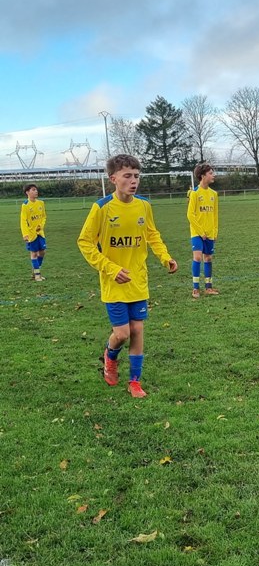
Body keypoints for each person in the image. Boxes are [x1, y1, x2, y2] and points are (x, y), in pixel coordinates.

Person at [77, 154, 178, 398]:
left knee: (137, 330)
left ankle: (135, 381)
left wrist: (165, 257)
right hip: (113, 282)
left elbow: (152, 234)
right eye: (127, 176)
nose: (134, 181)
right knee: (122, 334)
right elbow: (85, 242)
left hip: (138, 280)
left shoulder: (144, 205)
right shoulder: (102, 208)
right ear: (113, 179)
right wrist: (111, 269)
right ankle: (110, 356)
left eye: (136, 176)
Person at [187, 163, 220, 298]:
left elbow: (215, 215)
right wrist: (201, 232)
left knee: (208, 258)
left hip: (210, 232)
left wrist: (215, 231)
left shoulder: (214, 194)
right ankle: (195, 288)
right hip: (197, 232)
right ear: (202, 176)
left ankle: (208, 287)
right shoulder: (195, 193)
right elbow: (190, 215)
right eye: (210, 173)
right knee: (197, 257)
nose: (213, 175)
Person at [20, 183, 47, 281]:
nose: (36, 191)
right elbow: (23, 221)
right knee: (34, 253)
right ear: (27, 192)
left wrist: (41, 225)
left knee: (42, 252)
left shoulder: (41, 203)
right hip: (31, 234)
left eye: (36, 190)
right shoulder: (25, 205)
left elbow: (44, 216)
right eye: (33, 190)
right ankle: (37, 275)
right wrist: (25, 234)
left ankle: (35, 271)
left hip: (40, 233)